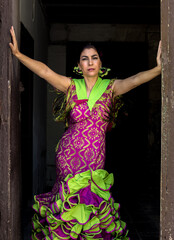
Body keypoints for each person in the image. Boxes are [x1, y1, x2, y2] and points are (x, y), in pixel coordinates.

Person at [9, 25, 161, 240]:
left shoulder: (111, 87)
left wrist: (157, 69)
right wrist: (18, 54)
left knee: (92, 208)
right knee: (69, 208)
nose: (90, 62)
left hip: (94, 159)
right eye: (84, 58)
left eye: (94, 57)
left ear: (100, 63)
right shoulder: (70, 86)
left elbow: (134, 79)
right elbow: (44, 71)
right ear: (79, 65)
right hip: (68, 157)